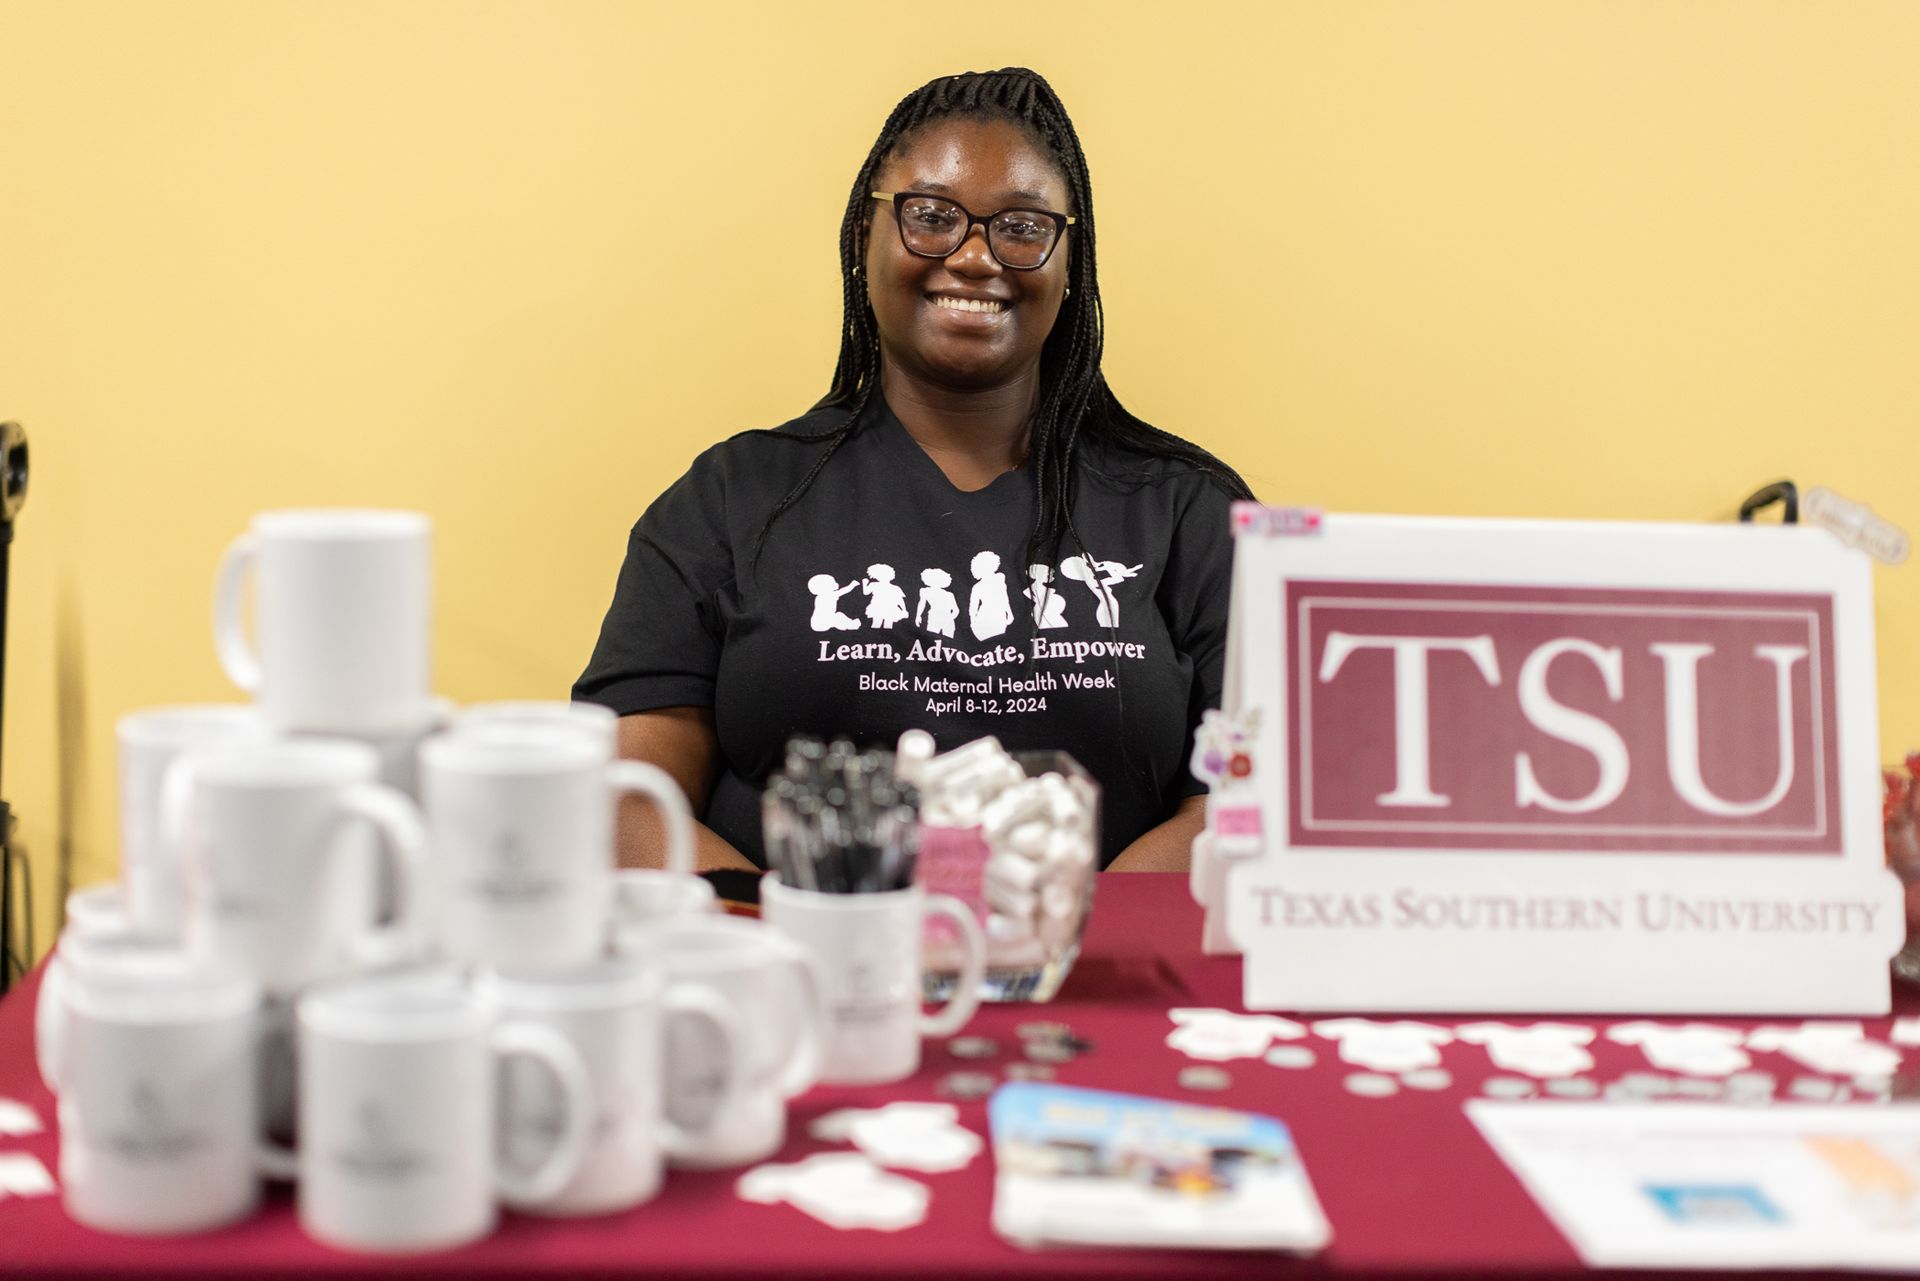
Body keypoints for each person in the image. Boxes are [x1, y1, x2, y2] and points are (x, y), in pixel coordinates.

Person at [575, 68, 1252, 874]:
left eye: (1023, 226)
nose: (973, 256)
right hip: (791, 972)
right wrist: (814, 949)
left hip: (1093, 978)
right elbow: (621, 799)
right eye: (931, 217)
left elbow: (1247, 802)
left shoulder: (1188, 512)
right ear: (866, 236)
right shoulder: (730, 497)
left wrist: (1048, 939)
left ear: (1071, 263)